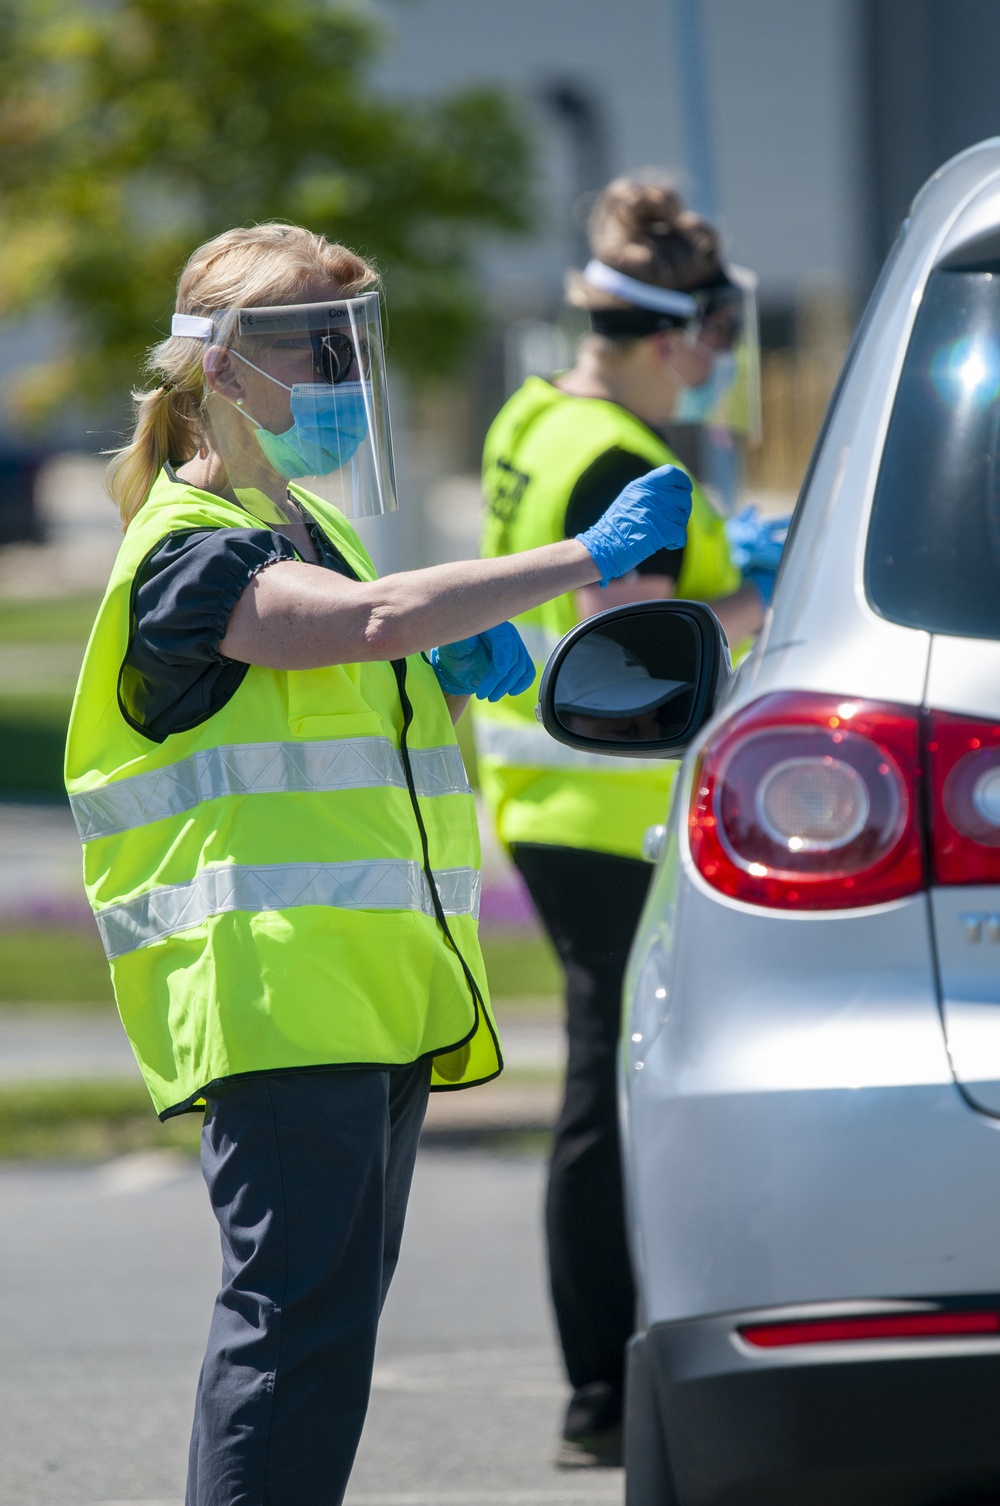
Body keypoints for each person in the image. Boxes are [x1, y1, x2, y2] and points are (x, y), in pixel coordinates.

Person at [63, 221, 694, 1506]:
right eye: (316, 350)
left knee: (321, 1341)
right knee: (290, 1336)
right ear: (225, 368)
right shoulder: (192, 547)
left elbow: (364, 699)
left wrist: (441, 670)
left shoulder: (298, 530)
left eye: (356, 348)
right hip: (277, 1002)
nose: (349, 383)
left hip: (353, 1001)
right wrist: (584, 561)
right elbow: (360, 624)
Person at [474, 176, 770, 1468]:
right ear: (676, 337)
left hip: (548, 801)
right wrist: (762, 595)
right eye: (713, 342)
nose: (715, 366)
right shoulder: (619, 456)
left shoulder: (535, 417)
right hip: (610, 810)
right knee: (607, 1090)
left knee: (601, 1082)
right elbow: (638, 647)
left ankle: (602, 1376)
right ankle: (600, 1388)